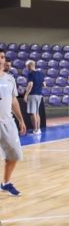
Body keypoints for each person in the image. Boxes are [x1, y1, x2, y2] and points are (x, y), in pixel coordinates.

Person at [0, 49, 27, 198]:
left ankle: (6, 183)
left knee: (15, 154)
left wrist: (21, 120)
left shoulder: (10, 79)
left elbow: (14, 101)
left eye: (2, 57)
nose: (0, 60)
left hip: (7, 122)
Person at [23, 60, 44, 135]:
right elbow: (44, 84)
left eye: (27, 66)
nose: (26, 68)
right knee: (37, 113)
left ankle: (35, 130)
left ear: (29, 66)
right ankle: (38, 129)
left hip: (32, 95)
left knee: (33, 113)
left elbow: (30, 85)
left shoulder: (31, 74)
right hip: (39, 95)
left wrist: (26, 94)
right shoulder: (41, 73)